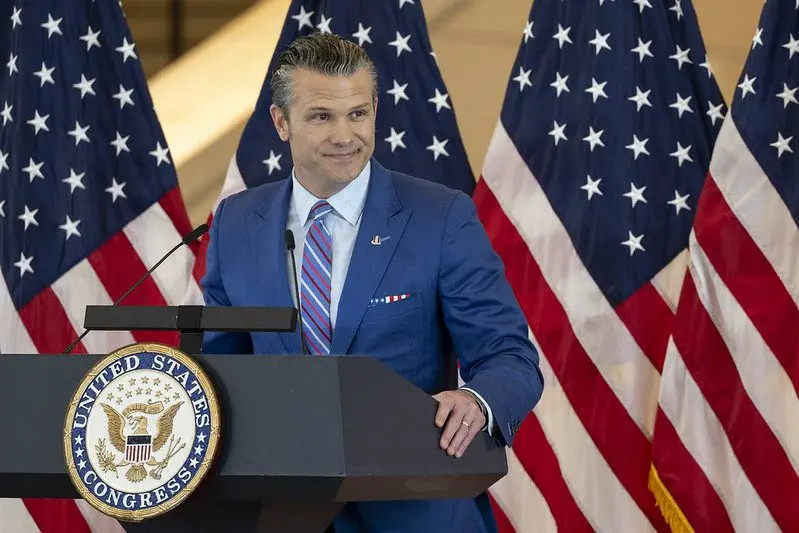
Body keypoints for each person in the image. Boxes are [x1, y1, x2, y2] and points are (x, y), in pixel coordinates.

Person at [201, 32, 544, 533]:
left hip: (415, 513)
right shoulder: (235, 223)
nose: (345, 135)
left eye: (358, 114)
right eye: (322, 116)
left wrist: (476, 400)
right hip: (279, 512)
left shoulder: (440, 217)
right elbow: (217, 370)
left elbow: (509, 355)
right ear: (281, 122)